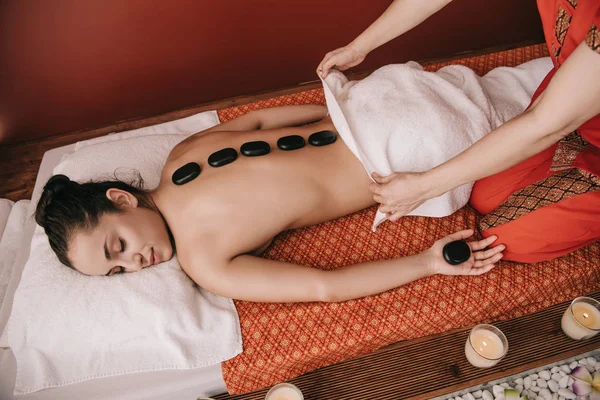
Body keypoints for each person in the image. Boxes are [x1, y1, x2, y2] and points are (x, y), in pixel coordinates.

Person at [35, 105, 503, 303]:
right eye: (118, 272)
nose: (135, 265)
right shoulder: (182, 156)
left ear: (121, 200)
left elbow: (326, 288)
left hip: (413, 155)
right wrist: (331, 112)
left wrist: (426, 263)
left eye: (116, 246)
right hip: (378, 106)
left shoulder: (206, 262)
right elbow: (258, 120)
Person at [318, 0, 600, 263]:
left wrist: (424, 186)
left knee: (507, 237)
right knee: (485, 194)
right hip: (572, 105)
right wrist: (359, 47)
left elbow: (544, 123)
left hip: (561, 114)